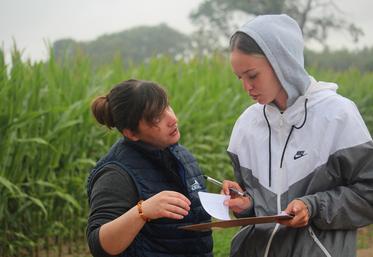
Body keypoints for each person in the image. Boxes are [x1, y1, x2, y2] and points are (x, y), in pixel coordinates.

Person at [222, 14, 373, 257]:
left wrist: (313, 206)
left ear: (283, 63)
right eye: (240, 78)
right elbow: (255, 208)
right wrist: (245, 204)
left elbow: (368, 195)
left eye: (253, 75)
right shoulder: (246, 126)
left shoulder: (337, 115)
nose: (247, 87)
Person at [86, 79, 213, 257]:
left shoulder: (181, 155)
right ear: (131, 133)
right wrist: (142, 211)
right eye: (156, 118)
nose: (173, 119)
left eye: (167, 107)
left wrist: (228, 200)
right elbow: (99, 245)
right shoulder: (116, 173)